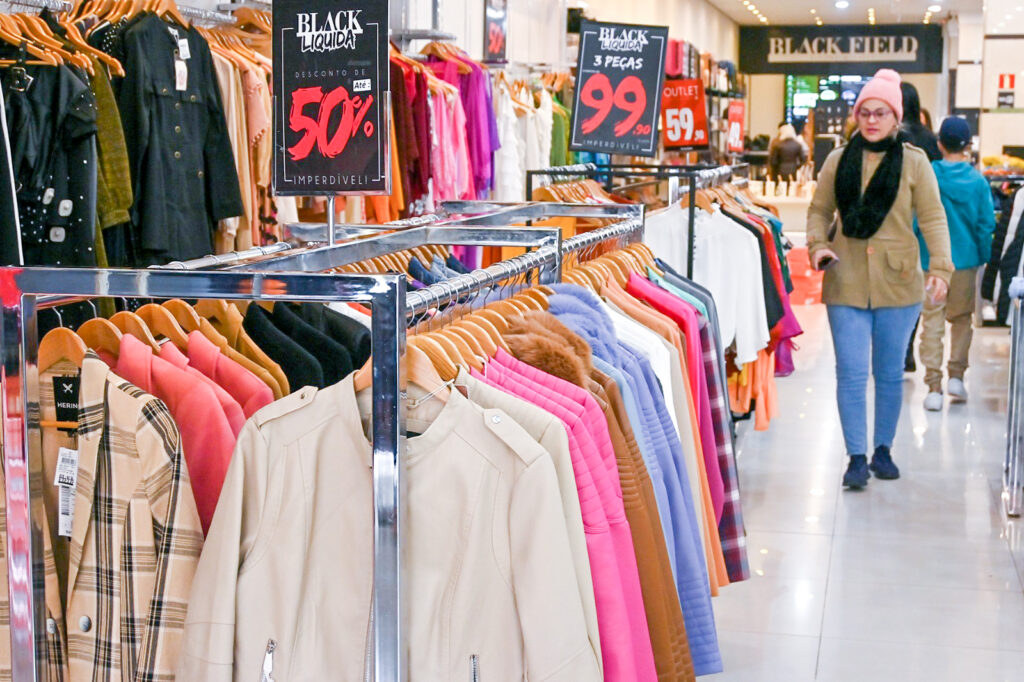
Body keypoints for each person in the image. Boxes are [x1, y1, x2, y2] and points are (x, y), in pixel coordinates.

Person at [806, 69, 953, 490]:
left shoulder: (914, 162)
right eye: (865, 112)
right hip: (845, 279)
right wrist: (818, 246)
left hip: (900, 283)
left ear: (896, 117)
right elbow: (818, 211)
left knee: (889, 374)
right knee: (851, 374)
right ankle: (856, 457)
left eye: (881, 113)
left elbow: (933, 218)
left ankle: (883, 449)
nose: (872, 120)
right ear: (856, 116)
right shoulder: (837, 160)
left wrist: (941, 268)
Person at [918, 117, 995, 411]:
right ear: (967, 146)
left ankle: (933, 386)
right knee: (962, 319)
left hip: (930, 260)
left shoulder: (928, 176)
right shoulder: (978, 182)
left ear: (939, 144)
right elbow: (985, 225)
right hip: (965, 262)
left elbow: (916, 218)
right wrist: (985, 257)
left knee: (932, 320)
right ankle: (956, 376)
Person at [900, 82, 942, 372]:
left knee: (895, 289)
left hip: (895, 223)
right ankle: (908, 349)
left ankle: (897, 347)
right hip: (922, 223)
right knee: (916, 287)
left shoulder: (890, 137)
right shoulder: (929, 138)